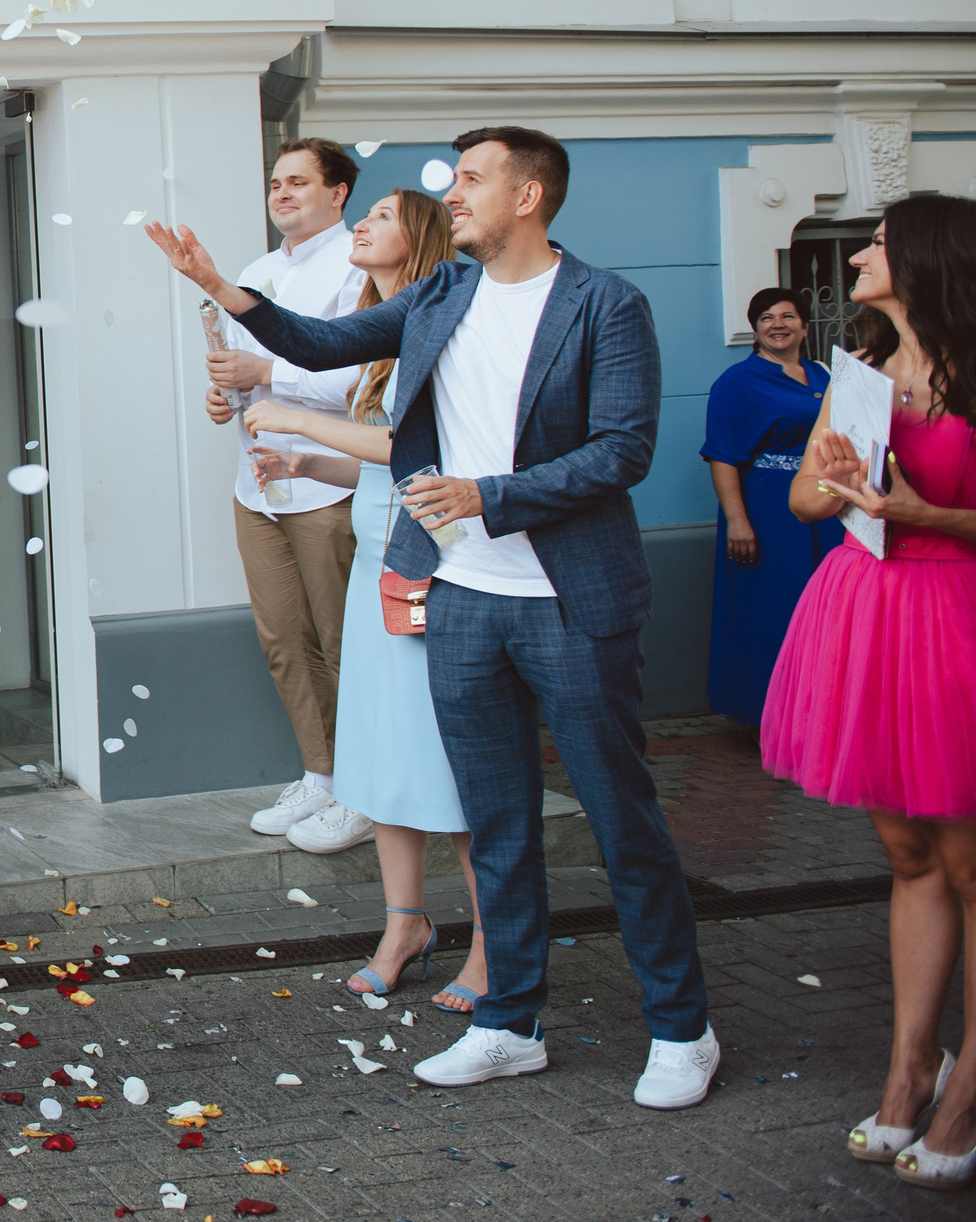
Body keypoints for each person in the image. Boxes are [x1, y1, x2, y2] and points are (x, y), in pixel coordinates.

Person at [146, 126, 719, 1111]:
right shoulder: (444, 293)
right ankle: (508, 1023)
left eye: (472, 179)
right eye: (453, 177)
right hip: (458, 599)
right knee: (494, 822)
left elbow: (622, 450)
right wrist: (221, 286)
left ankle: (680, 1026)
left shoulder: (602, 304)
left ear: (529, 196)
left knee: (621, 819)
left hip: (568, 600)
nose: (451, 193)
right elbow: (323, 343)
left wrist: (487, 495)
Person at [764, 195, 976, 1189]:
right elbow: (809, 497)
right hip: (866, 607)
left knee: (970, 860)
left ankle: (965, 1089)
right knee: (904, 847)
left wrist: (922, 508)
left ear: (927, 260)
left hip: (954, 614)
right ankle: (908, 1065)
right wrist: (840, 471)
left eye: (881, 242)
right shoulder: (859, 373)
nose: (859, 254)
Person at [243, 188, 489, 1013]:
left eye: (379, 217)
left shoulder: (445, 326)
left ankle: (493, 940)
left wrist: (297, 423)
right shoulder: (380, 339)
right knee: (382, 756)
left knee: (451, 760)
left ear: (412, 239)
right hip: (378, 560)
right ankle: (404, 924)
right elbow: (375, 464)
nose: (363, 229)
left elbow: (409, 445)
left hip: (432, 566)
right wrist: (308, 467)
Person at [208, 138, 371, 845]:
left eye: (298, 182)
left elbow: (354, 381)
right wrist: (222, 396)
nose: (281, 193)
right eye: (275, 182)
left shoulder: (358, 266)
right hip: (258, 483)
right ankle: (323, 776)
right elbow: (239, 372)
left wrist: (263, 372)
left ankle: (368, 788)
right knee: (283, 641)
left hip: (329, 478)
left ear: (338, 193)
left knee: (343, 642)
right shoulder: (256, 271)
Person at [701, 287, 839, 725]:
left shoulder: (821, 375)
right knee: (776, 608)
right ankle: (775, 720)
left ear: (804, 324)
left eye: (787, 316)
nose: (777, 324)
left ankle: (825, 717)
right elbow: (723, 455)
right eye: (766, 318)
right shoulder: (736, 382)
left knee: (827, 611)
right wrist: (738, 521)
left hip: (824, 506)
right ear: (755, 328)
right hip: (768, 510)